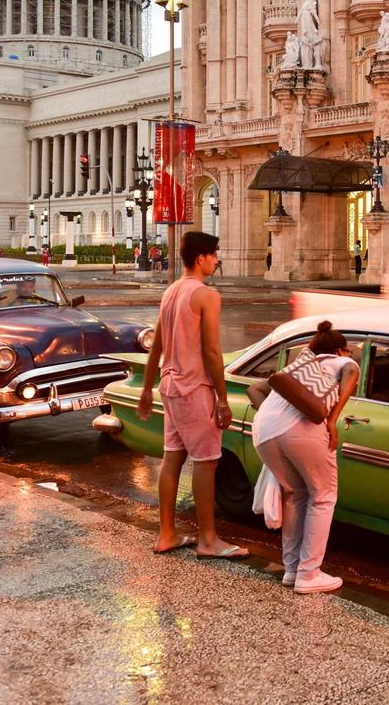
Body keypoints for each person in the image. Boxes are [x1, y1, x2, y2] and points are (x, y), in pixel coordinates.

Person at [136, 231, 248, 558]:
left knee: (173, 457)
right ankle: (209, 540)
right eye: (214, 255)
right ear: (200, 258)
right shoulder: (205, 295)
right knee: (206, 461)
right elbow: (212, 352)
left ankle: (167, 534)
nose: (217, 260)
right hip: (194, 387)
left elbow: (156, 342)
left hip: (170, 387)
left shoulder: (171, 292)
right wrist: (223, 399)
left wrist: (146, 388)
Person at [252, 322, 359, 594]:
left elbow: (255, 389)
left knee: (295, 495)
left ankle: (292, 570)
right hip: (301, 430)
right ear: (340, 350)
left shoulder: (299, 366)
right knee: (323, 496)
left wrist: (276, 416)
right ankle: (309, 574)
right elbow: (351, 372)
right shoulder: (341, 362)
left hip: (264, 429)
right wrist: (332, 420)